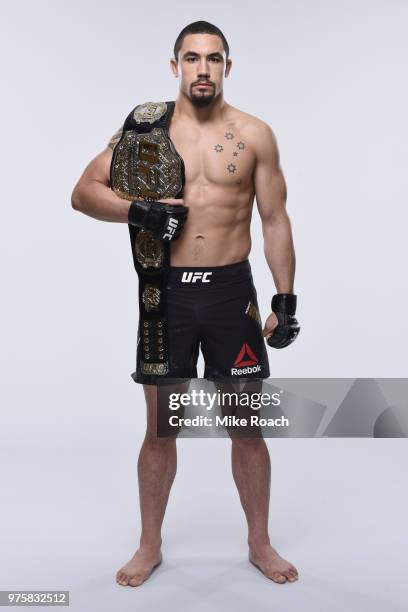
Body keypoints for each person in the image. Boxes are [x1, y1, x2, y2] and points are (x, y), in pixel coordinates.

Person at [71, 20, 299, 587]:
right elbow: (83, 193)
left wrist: (286, 298)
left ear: (228, 65)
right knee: (161, 430)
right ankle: (150, 545)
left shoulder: (254, 135)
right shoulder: (144, 133)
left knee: (246, 427)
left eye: (214, 59)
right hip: (165, 295)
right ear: (175, 66)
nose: (203, 69)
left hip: (231, 293)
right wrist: (139, 211)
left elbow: (274, 219)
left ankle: (259, 543)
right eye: (192, 58)